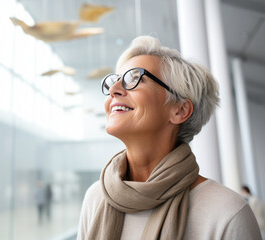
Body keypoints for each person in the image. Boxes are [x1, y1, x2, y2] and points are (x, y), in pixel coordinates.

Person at [77, 36, 262, 240]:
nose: (113, 90)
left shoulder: (226, 214)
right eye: (114, 81)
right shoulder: (96, 198)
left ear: (180, 110)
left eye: (134, 79)